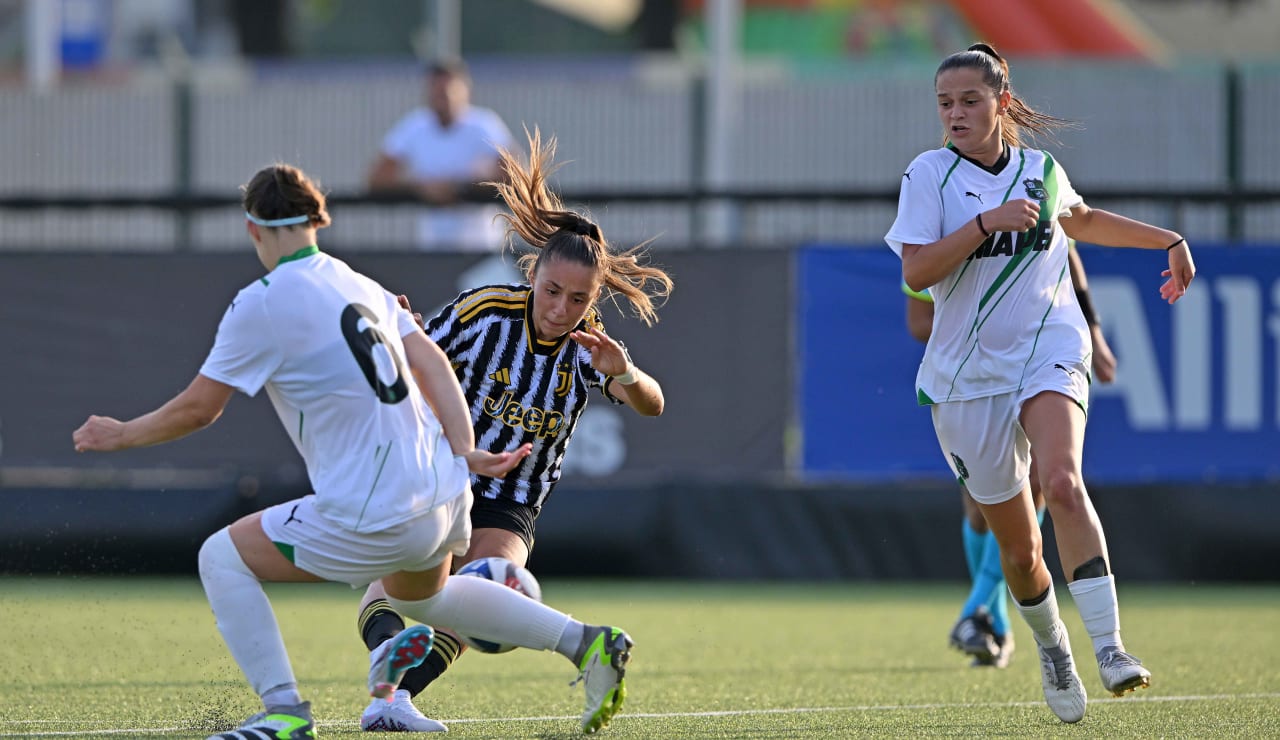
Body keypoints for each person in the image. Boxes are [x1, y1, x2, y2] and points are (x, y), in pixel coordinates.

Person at [71, 163, 635, 739]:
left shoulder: (260, 302)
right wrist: (463, 449)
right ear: (319, 220)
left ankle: (284, 714)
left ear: (253, 230)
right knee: (434, 600)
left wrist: (121, 434)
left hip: (375, 501)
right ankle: (586, 643)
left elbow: (199, 409)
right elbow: (435, 364)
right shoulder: (359, 283)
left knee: (221, 557)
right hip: (441, 493)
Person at [884, 43, 1195, 724]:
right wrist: (984, 224)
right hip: (965, 379)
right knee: (1021, 553)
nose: (956, 113)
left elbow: (1079, 222)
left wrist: (1167, 238)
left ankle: (1112, 649)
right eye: (946, 103)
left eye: (970, 100)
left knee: (1062, 481)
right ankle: (1054, 646)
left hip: (1048, 350)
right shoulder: (929, 175)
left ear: (1002, 100)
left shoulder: (1040, 169)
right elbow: (916, 273)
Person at [356, 128, 674, 733]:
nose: (560, 309)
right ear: (533, 274)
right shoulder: (484, 314)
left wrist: (627, 371)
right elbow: (419, 364)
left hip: (514, 501)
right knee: (395, 593)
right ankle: (387, 682)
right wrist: (406, 332)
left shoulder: (591, 349)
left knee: (481, 594)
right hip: (451, 474)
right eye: (552, 291)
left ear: (593, 298)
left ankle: (390, 697)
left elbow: (652, 405)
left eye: (578, 299)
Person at [904, 243, 1118, 670]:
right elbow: (919, 321)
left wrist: (1092, 329)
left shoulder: (1026, 188)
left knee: (1047, 477)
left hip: (1039, 362)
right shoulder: (938, 221)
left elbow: (1068, 251)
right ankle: (995, 619)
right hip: (975, 381)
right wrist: (983, 324)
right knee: (984, 511)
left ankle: (980, 611)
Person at [367, 56, 515, 251]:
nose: (442, 96)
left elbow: (515, 173)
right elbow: (377, 178)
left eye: (449, 89)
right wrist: (422, 188)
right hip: (434, 248)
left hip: (482, 246)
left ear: (465, 90)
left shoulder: (484, 125)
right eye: (436, 89)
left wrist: (461, 187)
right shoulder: (414, 126)